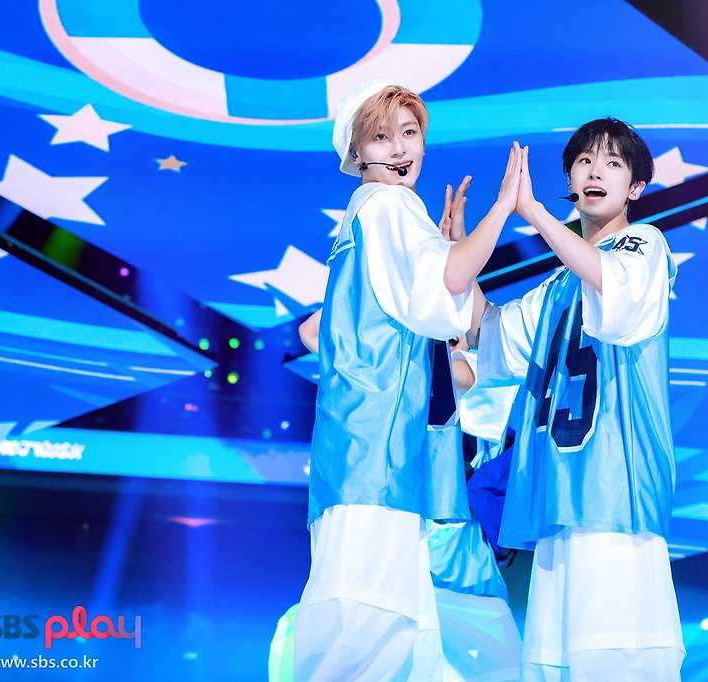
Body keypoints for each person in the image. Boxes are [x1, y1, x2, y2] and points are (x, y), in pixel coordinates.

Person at [292, 79, 523, 682]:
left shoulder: (359, 221)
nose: (398, 148)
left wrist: (440, 248)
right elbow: (450, 290)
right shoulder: (390, 207)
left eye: (409, 132)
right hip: (381, 460)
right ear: (357, 151)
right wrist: (503, 208)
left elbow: (326, 330)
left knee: (373, 635)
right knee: (370, 638)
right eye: (380, 136)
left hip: (361, 459)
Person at [464, 118, 685, 680]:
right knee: (554, 664)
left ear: (636, 186)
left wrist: (534, 213)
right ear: (570, 178)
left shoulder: (645, 245)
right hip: (560, 504)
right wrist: (458, 257)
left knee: (614, 658)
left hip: (616, 498)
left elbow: (613, 284)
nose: (595, 171)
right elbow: (487, 335)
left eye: (613, 163)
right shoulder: (558, 285)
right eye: (584, 161)